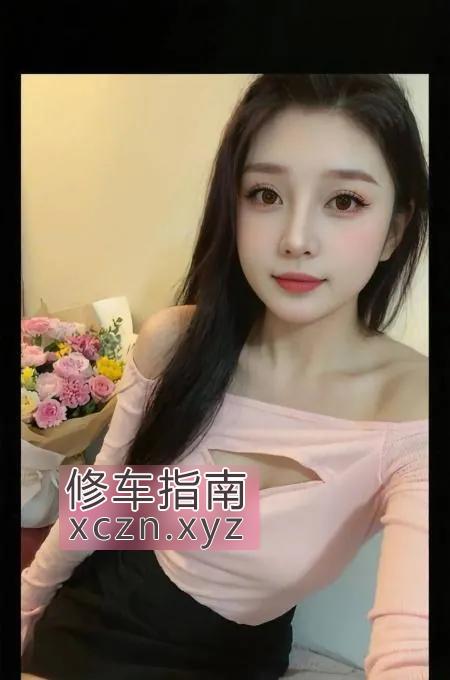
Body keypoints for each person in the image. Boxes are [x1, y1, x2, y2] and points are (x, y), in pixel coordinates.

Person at [21, 74, 429, 679]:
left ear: (395, 230)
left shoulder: (413, 414)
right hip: (100, 623)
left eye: (344, 201)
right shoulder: (179, 344)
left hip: (238, 656)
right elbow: (106, 503)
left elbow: (410, 644)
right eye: (265, 194)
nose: (296, 240)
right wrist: (27, 605)